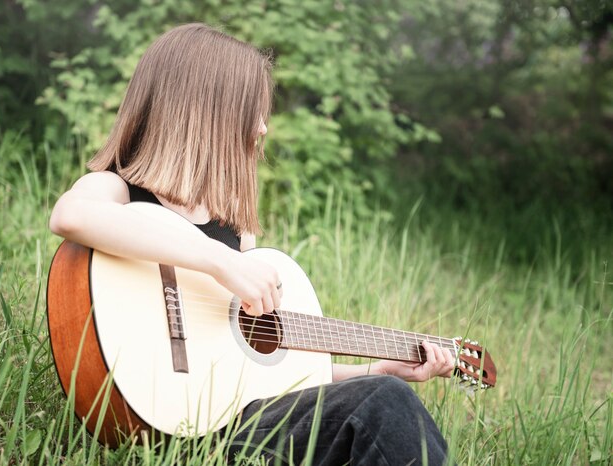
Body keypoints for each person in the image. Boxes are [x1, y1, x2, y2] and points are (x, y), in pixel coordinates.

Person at [50, 23, 455, 465]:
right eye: (253, 110)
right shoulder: (118, 190)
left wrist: (372, 371)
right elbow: (71, 215)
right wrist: (218, 262)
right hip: (167, 424)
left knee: (385, 397)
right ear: (205, 110)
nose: (263, 127)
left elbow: (262, 379)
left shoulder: (236, 231)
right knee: (386, 401)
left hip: (236, 425)